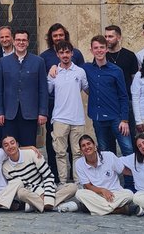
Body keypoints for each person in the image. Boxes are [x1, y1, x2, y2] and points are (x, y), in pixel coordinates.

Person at [82, 35, 132, 188]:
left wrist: (125, 119)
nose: (99, 50)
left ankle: (131, 185)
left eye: (102, 47)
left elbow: (124, 96)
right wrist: (54, 67)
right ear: (91, 50)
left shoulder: (116, 70)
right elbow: (68, 64)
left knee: (128, 150)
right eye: (96, 48)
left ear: (106, 49)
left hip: (117, 118)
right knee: (104, 153)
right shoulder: (86, 68)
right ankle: (110, 185)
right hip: (98, 119)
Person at [39, 23, 85, 183]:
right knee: (57, 149)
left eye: (61, 35)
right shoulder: (45, 58)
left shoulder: (78, 61)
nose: (58, 38)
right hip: (55, 110)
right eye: (55, 36)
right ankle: (60, 179)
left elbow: (85, 85)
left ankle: (77, 180)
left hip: (75, 112)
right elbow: (44, 88)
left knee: (76, 150)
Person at [0, 29, 48, 147]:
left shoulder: (38, 62)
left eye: (24, 40)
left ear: (28, 42)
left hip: (30, 113)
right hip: (9, 114)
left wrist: (43, 112)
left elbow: (43, 89)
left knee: (28, 147)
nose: (21, 42)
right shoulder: (3, 62)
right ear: (13, 41)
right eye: (18, 40)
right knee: (9, 147)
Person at [46, 41, 88, 183]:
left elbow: (87, 89)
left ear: (72, 53)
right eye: (61, 52)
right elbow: (47, 91)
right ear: (57, 54)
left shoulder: (80, 72)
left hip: (77, 118)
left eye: (67, 52)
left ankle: (78, 182)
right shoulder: (53, 73)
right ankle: (63, 182)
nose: (65, 55)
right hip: (59, 118)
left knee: (78, 153)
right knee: (60, 153)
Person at [1, 136, 77, 212]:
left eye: (12, 143)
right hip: (31, 193)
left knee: (73, 187)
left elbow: (48, 176)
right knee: (21, 193)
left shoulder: (31, 153)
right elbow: (23, 185)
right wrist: (41, 194)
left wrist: (48, 197)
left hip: (47, 188)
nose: (10, 146)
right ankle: (56, 206)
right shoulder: (5, 167)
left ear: (17, 145)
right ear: (3, 149)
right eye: (6, 145)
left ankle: (36, 205)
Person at [73, 134, 135, 215]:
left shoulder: (109, 156)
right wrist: (102, 190)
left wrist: (140, 174)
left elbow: (124, 170)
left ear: (95, 146)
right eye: (83, 146)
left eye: (88, 144)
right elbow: (88, 186)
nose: (87, 147)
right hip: (97, 195)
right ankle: (119, 210)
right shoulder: (79, 163)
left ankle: (95, 208)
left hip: (114, 194)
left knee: (129, 194)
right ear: (81, 150)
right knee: (79, 193)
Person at [104, 25, 139, 133]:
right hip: (108, 102)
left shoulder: (130, 55)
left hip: (127, 101)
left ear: (118, 37)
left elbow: (135, 80)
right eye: (106, 36)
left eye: (110, 36)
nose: (107, 39)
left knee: (129, 134)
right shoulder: (102, 57)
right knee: (109, 136)